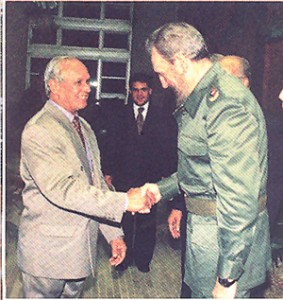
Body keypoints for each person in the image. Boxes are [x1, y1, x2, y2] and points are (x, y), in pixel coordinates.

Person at [142, 22, 271, 298]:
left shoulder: (226, 106)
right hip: (207, 241)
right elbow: (205, 165)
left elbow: (238, 199)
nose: (162, 83)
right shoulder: (201, 95)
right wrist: (161, 189)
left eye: (162, 74)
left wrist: (227, 277)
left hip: (224, 248)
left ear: (181, 62)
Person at [17, 56, 153, 298]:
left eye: (87, 81)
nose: (87, 88)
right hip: (48, 255)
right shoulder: (40, 129)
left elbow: (97, 183)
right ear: (54, 85)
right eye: (78, 82)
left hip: (79, 254)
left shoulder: (84, 127)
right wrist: (123, 201)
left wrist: (114, 235)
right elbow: (62, 189)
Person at [106, 73, 178, 273]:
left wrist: (167, 174)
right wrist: (108, 171)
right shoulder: (119, 114)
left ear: (150, 91)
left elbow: (168, 148)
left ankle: (143, 260)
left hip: (150, 177)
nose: (139, 94)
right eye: (135, 89)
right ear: (130, 91)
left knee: (147, 221)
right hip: (124, 175)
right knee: (124, 220)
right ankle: (123, 259)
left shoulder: (162, 116)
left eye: (143, 89)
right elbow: (111, 144)